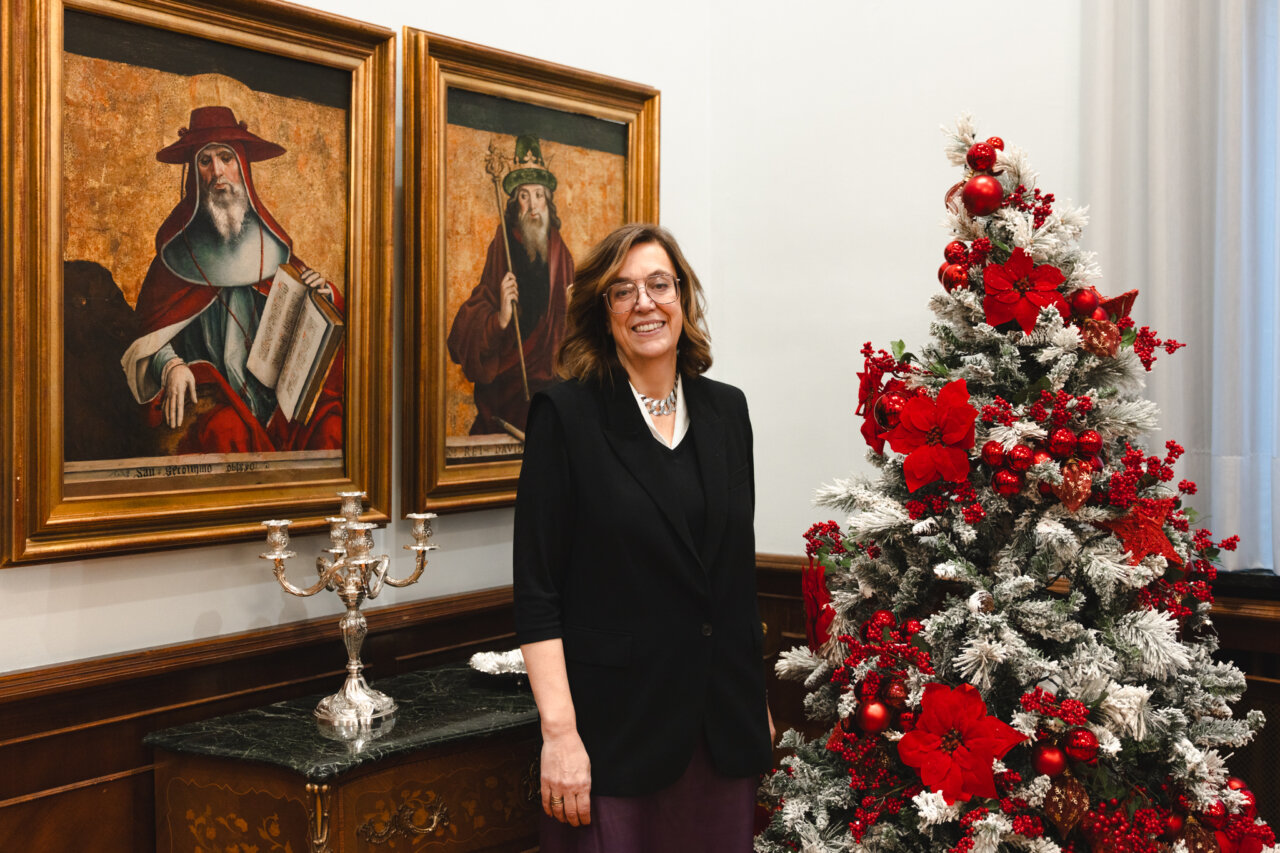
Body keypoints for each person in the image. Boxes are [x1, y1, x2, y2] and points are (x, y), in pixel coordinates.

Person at [513, 223, 774, 852]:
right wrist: (559, 735)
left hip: (720, 725)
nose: (645, 303)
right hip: (613, 736)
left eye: (660, 284)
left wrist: (756, 701)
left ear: (682, 295)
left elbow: (733, 576)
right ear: (602, 312)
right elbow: (538, 592)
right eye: (623, 291)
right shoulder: (566, 416)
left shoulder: (727, 410)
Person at [120, 105, 343, 454]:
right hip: (215, 402)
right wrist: (171, 366)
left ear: (243, 167)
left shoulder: (271, 247)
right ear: (195, 176)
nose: (217, 172)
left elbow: (315, 320)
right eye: (205, 161)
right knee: (227, 432)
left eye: (226, 158)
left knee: (331, 429)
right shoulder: (174, 258)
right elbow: (147, 336)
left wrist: (322, 293)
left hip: (277, 405)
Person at [447, 135, 574, 435]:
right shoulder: (503, 244)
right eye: (524, 196)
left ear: (548, 201)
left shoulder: (561, 254)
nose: (533, 205)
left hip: (550, 386)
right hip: (506, 384)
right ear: (516, 203)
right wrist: (500, 319)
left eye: (539, 195)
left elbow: (572, 323)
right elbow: (466, 326)